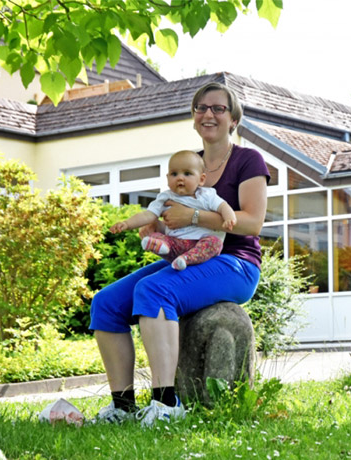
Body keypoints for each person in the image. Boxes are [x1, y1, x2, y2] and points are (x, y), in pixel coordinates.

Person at [89, 82, 269, 426]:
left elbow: (253, 222)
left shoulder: (248, 160)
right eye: (201, 108)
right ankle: (123, 407)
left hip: (235, 264)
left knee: (154, 290)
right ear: (193, 117)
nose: (208, 114)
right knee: (106, 304)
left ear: (233, 119)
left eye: (218, 108)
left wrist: (195, 216)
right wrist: (155, 227)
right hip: (184, 256)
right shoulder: (188, 163)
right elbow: (167, 212)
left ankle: (166, 403)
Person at [109, 150, 237, 271]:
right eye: (174, 174)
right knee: (157, 237)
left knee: (214, 243)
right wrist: (127, 224)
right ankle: (163, 247)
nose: (180, 178)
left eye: (187, 173)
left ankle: (186, 259)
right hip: (175, 243)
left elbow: (223, 206)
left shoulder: (206, 195)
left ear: (201, 179)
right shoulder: (165, 197)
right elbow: (148, 215)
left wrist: (229, 217)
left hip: (201, 242)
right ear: (167, 178)